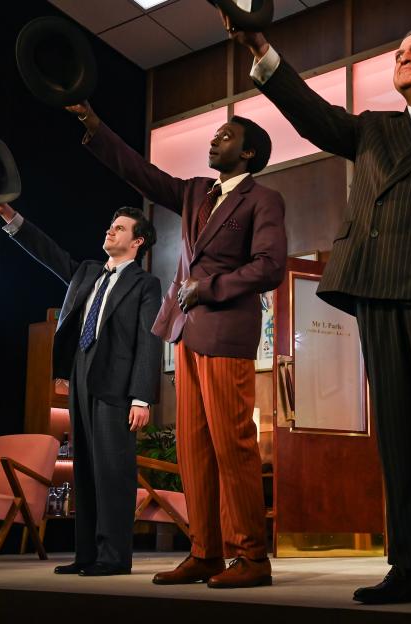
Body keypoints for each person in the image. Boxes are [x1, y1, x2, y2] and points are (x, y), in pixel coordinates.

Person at [224, 15, 411, 609]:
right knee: (396, 434)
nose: (401, 55)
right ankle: (410, 565)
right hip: (381, 286)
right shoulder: (374, 129)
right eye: (397, 51)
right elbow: (313, 116)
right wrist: (262, 49)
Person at [65, 102, 286, 589]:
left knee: (233, 448)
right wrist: (95, 125)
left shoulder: (262, 199)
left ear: (248, 152)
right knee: (194, 450)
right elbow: (140, 172)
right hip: (184, 334)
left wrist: (207, 288)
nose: (214, 140)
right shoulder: (193, 193)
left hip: (226, 333)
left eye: (225, 135)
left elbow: (270, 266)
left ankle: (251, 557)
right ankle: (205, 553)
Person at [0, 202, 161, 577]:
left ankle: (114, 557)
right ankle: (87, 555)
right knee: (85, 470)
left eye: (119, 228)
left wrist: (142, 397)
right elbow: (48, 252)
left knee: (113, 471)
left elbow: (149, 340)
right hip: (81, 375)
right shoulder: (87, 272)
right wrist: (9, 217)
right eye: (110, 226)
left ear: (138, 240)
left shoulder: (145, 283)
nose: (110, 232)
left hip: (117, 385)